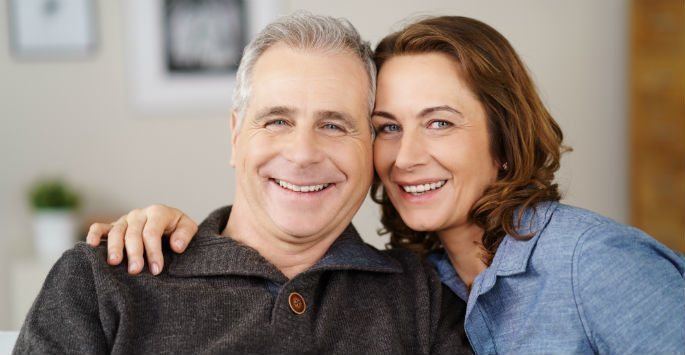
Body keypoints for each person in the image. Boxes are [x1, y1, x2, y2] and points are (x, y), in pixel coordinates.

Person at [92, 15, 685, 354]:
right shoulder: (432, 277)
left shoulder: (597, 263)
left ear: (503, 142)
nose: (406, 157)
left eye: (440, 123)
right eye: (387, 128)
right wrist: (180, 236)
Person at [14, 12, 470, 354]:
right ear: (235, 136)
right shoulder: (103, 279)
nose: (302, 153)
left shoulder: (421, 297)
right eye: (276, 120)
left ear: (370, 147)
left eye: (333, 125)